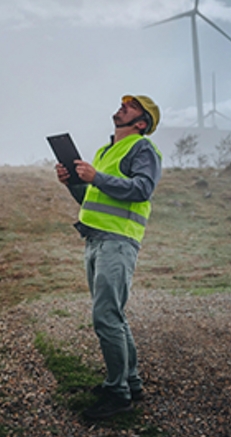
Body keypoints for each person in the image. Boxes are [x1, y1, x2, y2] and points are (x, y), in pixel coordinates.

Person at [56, 95, 162, 420]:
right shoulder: (104, 152)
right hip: (95, 238)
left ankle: (118, 396)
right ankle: (130, 382)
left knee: (105, 317)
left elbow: (142, 188)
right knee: (113, 314)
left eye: (130, 107)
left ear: (141, 123)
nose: (122, 107)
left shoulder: (142, 149)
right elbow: (93, 196)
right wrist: (73, 183)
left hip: (118, 241)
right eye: (122, 103)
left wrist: (96, 177)